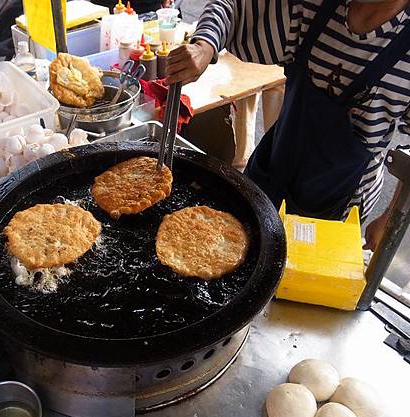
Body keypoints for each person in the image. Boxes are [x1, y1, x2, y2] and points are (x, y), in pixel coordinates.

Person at [166, 0, 410, 250]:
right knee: (244, 252)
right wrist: (205, 46)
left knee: (301, 282)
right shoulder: (314, 7)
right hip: (274, 169)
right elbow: (233, 8)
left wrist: (391, 216)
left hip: (340, 202)